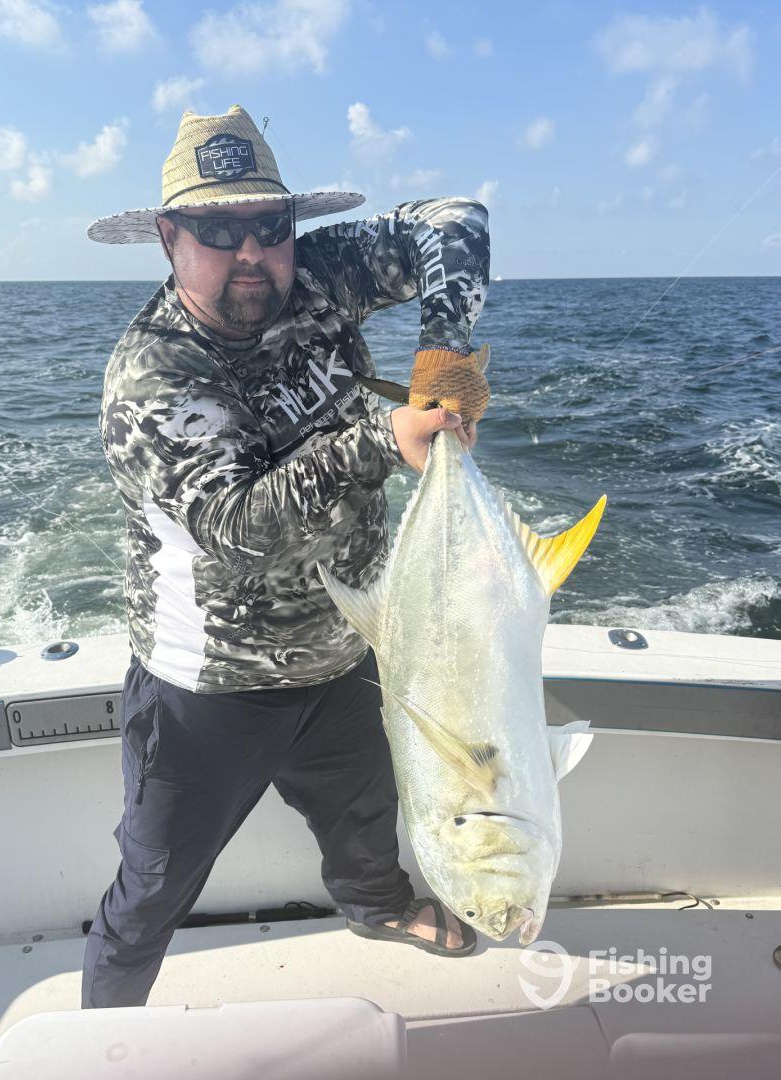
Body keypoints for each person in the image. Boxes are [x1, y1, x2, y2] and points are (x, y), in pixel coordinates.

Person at [81, 105, 491, 1008]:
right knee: (153, 885)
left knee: (365, 817)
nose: (252, 253)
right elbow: (239, 531)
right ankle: (103, 1028)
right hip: (207, 691)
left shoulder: (320, 275)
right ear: (168, 238)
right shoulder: (151, 374)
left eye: (270, 226)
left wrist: (444, 360)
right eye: (219, 231)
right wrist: (381, 439)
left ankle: (378, 909)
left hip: (345, 647)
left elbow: (455, 220)